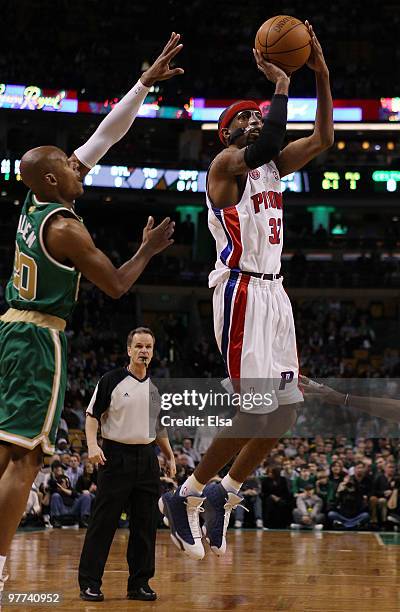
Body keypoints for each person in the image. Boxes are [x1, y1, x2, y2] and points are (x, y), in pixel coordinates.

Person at [0, 33, 183, 592]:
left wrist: (142, 87)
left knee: (6, 450)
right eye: (73, 169)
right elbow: (118, 285)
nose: (83, 170)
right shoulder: (68, 228)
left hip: (10, 328)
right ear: (55, 180)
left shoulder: (38, 198)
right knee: (26, 461)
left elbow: (103, 137)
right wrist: (147, 251)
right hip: (38, 340)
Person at [160, 22, 334, 560]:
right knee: (255, 407)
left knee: (283, 412)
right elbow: (270, 141)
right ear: (228, 132)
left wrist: (321, 75)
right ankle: (183, 496)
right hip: (240, 291)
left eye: (259, 115)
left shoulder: (273, 167)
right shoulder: (225, 167)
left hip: (276, 295)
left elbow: (324, 138)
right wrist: (282, 86)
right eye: (247, 118)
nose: (257, 120)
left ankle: (224, 491)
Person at [78, 327, 176, 602]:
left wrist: (168, 456)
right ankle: (90, 582)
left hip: (147, 458)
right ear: (129, 350)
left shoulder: (156, 389)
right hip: (115, 456)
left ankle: (139, 583)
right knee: (103, 522)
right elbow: (92, 415)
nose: (144, 351)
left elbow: (158, 428)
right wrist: (92, 445)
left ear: (153, 352)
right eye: (139, 346)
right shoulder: (111, 380)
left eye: (149, 347)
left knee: (145, 525)